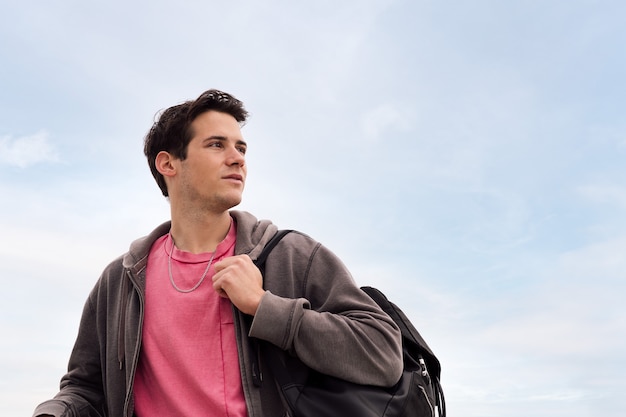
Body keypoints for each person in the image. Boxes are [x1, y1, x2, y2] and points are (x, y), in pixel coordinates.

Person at [33, 89, 403, 417]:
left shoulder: (292, 257)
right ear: (168, 164)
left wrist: (264, 306)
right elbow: (85, 388)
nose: (237, 158)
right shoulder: (121, 280)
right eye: (216, 145)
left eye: (241, 147)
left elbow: (384, 354)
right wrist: (54, 412)